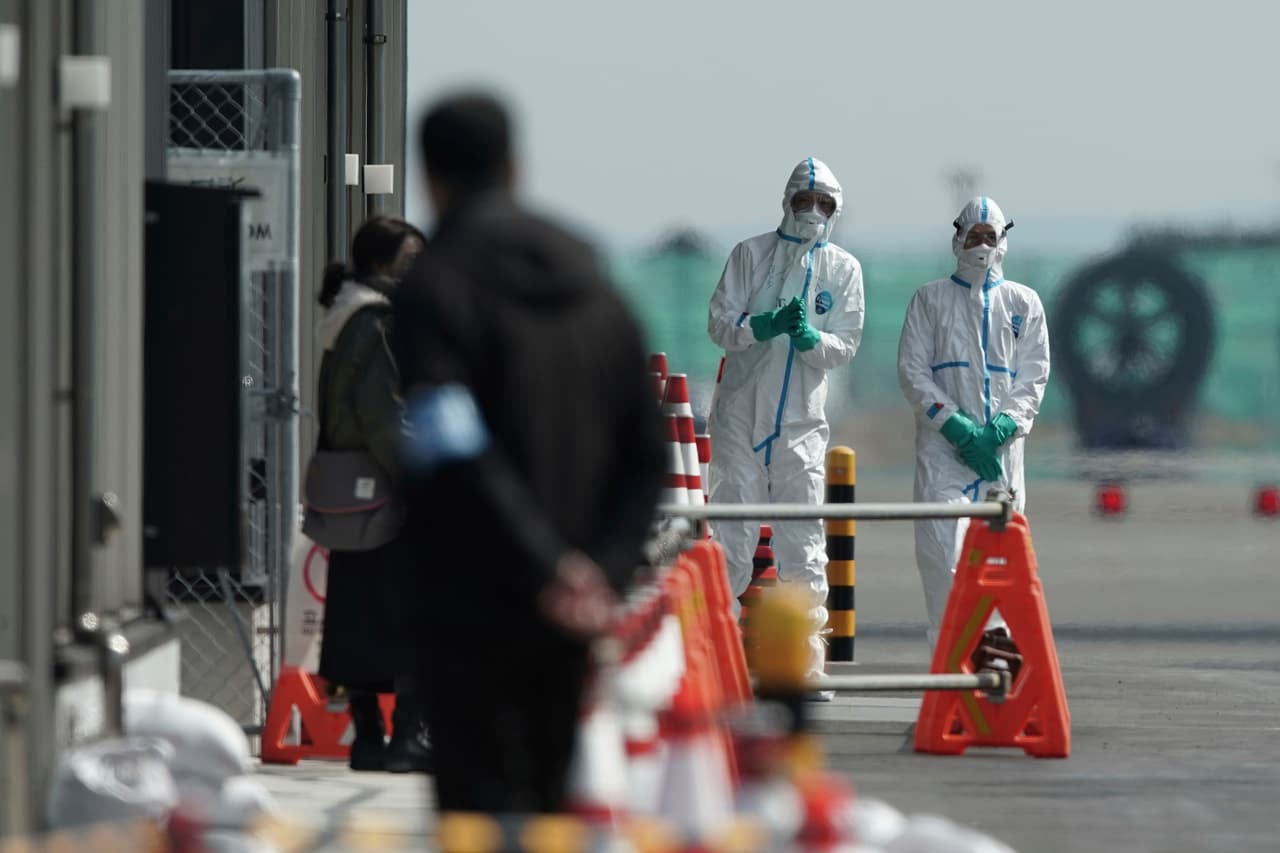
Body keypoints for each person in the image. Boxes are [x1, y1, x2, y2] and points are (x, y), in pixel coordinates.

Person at [391, 93, 664, 814]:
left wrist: (546, 567)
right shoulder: (597, 288)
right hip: (574, 616)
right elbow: (648, 452)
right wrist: (597, 574)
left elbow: (452, 448)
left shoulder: (435, 287)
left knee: (478, 815)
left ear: (429, 177)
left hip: (468, 605)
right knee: (553, 803)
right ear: (516, 167)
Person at [706, 157, 865, 687]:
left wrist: (809, 339)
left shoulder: (843, 270)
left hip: (801, 422)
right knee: (732, 534)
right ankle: (718, 658)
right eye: (805, 199)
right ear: (787, 201)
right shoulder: (749, 255)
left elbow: (845, 344)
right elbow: (719, 323)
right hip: (739, 416)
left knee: (804, 541)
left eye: (824, 203)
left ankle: (803, 664)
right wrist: (764, 324)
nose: (813, 210)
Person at [896, 197, 1050, 666]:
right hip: (944, 452)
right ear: (958, 238)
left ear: (1003, 241)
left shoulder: (1023, 302)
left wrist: (1003, 426)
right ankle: (952, 663)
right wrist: (955, 426)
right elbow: (912, 370)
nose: (981, 245)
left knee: (1000, 559)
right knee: (943, 553)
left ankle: (995, 660)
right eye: (973, 236)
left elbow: (1034, 375)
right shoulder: (929, 299)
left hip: (1001, 455)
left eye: (990, 236)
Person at [313, 215, 433, 773]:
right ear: (383, 264)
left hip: (348, 489)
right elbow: (385, 415)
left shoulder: (345, 315)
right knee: (412, 611)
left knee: (354, 617)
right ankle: (407, 737)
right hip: (388, 487)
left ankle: (367, 738)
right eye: (412, 262)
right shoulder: (378, 320)